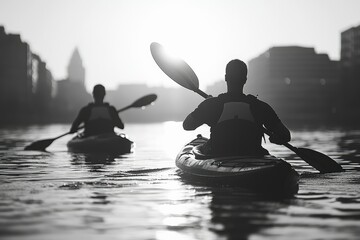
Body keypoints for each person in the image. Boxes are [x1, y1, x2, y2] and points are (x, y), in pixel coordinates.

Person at [183, 59, 291, 156]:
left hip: (219, 155)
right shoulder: (260, 107)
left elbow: (187, 125)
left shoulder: (212, 105)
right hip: (253, 156)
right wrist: (274, 139)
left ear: (226, 78)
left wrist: (206, 109)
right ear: (245, 79)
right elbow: (286, 136)